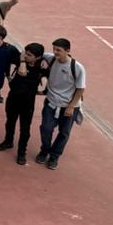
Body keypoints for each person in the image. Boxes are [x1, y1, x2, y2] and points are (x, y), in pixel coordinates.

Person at [35, 39, 84, 171]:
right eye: (54, 49)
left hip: (68, 106)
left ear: (67, 51)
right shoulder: (51, 59)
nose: (55, 52)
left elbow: (80, 89)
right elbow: (28, 51)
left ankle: (54, 156)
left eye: (59, 50)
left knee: (64, 133)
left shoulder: (77, 67)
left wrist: (71, 107)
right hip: (51, 102)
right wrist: (23, 61)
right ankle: (45, 150)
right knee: (46, 128)